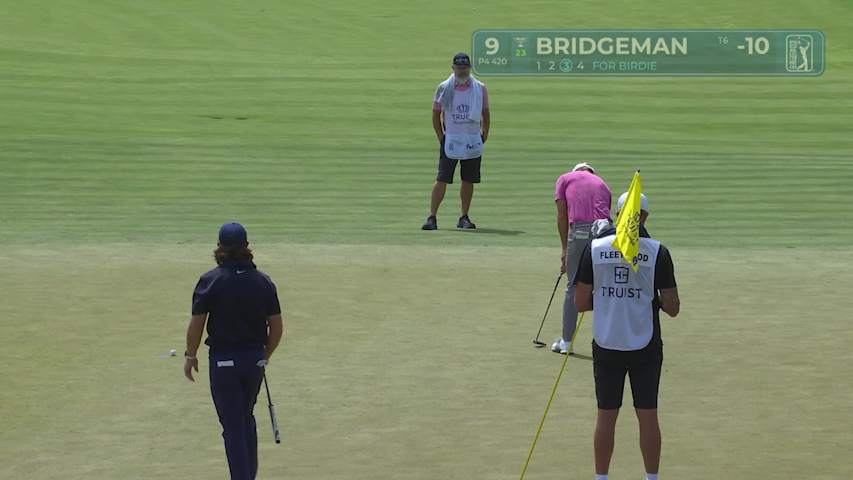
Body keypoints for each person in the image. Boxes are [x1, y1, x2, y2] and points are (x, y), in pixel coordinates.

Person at [573, 193, 680, 480]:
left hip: (607, 343)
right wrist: (650, 299)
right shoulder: (659, 251)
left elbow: (580, 302)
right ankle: (652, 478)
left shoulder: (595, 248)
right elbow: (672, 307)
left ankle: (601, 478)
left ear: (617, 214)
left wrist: (608, 301)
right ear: (643, 217)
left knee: (606, 415)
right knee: (647, 414)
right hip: (645, 345)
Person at [183, 222, 284, 480]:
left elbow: (197, 323)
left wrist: (190, 354)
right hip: (254, 362)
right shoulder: (263, 282)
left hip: (223, 364)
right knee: (245, 419)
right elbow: (276, 327)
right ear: (247, 247)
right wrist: (264, 356)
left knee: (233, 426)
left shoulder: (210, 281)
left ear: (219, 248)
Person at [422, 52, 490, 230]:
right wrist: (441, 136)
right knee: (442, 178)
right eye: (459, 67)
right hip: (451, 139)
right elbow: (436, 114)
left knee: (468, 180)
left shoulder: (480, 88)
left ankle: (464, 217)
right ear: (453, 68)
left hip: (472, 138)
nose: (462, 71)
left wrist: (485, 134)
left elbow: (486, 112)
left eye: (465, 67)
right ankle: (432, 217)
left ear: (469, 68)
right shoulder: (444, 87)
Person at [552, 162, 612, 354]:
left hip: (579, 232)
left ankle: (566, 342)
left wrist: (564, 252)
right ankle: (608, 340)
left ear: (575, 171)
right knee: (604, 287)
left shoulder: (565, 178)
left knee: (573, 286)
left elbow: (562, 215)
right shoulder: (602, 184)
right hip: (606, 235)